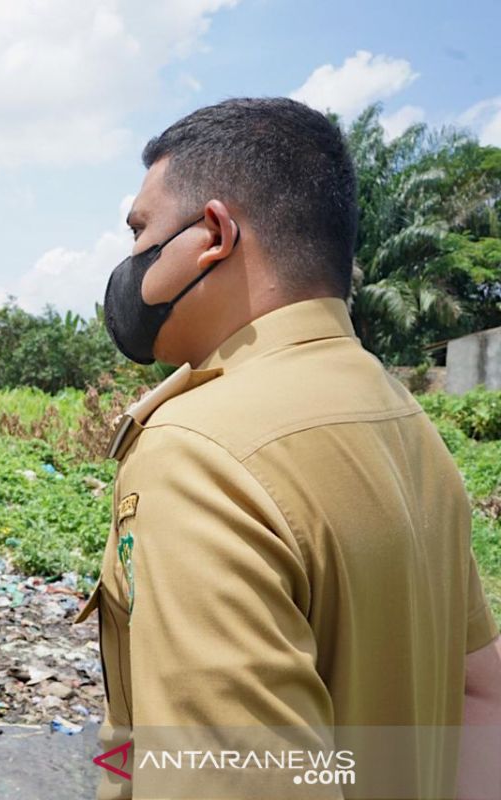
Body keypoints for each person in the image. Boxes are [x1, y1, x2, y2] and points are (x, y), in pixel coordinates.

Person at [76, 96, 501, 799]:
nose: (131, 263)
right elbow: (480, 693)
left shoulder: (196, 455)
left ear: (212, 234)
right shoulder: (409, 427)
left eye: (141, 232)